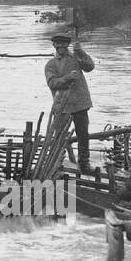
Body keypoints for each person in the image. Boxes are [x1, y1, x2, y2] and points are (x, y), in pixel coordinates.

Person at [44, 32, 96, 174]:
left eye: (64, 43)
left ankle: (84, 165)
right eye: (58, 43)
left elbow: (90, 67)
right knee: (59, 137)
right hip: (62, 106)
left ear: (68, 45)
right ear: (54, 45)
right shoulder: (51, 64)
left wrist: (79, 51)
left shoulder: (76, 57)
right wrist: (68, 78)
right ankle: (56, 164)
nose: (61, 46)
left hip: (80, 104)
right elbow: (52, 83)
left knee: (83, 136)